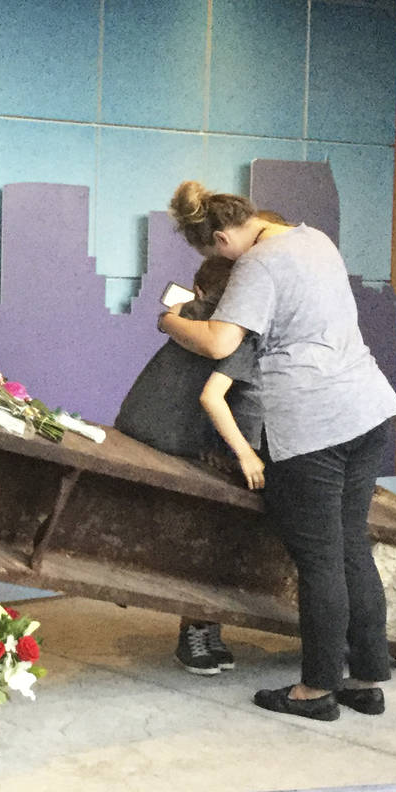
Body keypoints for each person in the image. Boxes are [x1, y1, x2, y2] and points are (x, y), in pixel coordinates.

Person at [159, 183, 396, 720]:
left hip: (311, 422)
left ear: (222, 236)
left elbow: (221, 343)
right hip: (367, 407)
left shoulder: (257, 264)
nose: (222, 259)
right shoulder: (314, 239)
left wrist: (172, 320)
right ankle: (365, 681)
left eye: (214, 251)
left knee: (319, 560)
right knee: (351, 547)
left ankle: (316, 691)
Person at [168, 256, 265, 676]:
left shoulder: (236, 337)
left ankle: (208, 628)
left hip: (239, 456)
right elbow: (210, 397)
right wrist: (243, 452)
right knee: (212, 546)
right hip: (236, 458)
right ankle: (196, 629)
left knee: (224, 549)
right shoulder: (236, 340)